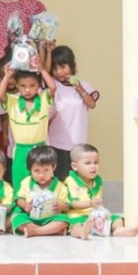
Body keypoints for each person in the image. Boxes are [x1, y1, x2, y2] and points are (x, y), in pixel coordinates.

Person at [61, 143, 138, 239]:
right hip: (77, 215)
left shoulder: (97, 180)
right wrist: (90, 203)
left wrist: (101, 212)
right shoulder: (71, 181)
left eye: (96, 162)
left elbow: (98, 202)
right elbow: (70, 204)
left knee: (116, 218)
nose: (93, 166)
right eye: (88, 163)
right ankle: (82, 232)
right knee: (75, 225)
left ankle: (118, 230)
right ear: (75, 166)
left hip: (95, 215)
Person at [46, 46, 99, 179]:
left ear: (72, 65)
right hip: (56, 142)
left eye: (63, 67)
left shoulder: (84, 85)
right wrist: (46, 50)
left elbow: (91, 104)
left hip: (78, 142)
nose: (59, 72)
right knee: (59, 179)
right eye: (55, 68)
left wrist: (77, 86)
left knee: (76, 180)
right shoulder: (54, 85)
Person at [0, 63, 53, 163]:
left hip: (40, 150)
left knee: (40, 173)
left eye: (32, 86)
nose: (27, 90)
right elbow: (0, 95)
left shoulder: (43, 99)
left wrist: (42, 70)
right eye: (23, 86)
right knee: (20, 173)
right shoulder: (13, 101)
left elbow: (53, 88)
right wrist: (7, 75)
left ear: (39, 85)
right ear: (17, 85)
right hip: (20, 150)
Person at [14, 144, 71, 237]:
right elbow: (19, 198)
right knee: (16, 218)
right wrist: (24, 205)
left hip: (51, 218)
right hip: (31, 218)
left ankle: (36, 231)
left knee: (64, 220)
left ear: (54, 167)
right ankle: (49, 231)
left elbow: (67, 205)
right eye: (37, 171)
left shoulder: (60, 186)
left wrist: (61, 206)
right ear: (30, 170)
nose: (41, 175)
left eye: (46, 170)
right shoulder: (26, 182)